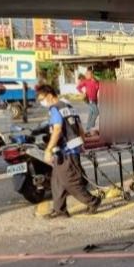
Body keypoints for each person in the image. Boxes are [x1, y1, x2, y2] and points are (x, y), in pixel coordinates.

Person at [37, 84, 101, 218]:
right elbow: (79, 127)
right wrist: (81, 142)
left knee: (70, 181)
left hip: (67, 151)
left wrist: (48, 150)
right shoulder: (68, 106)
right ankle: (59, 209)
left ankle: (93, 201)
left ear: (49, 96)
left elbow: (57, 129)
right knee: (57, 181)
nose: (41, 102)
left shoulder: (55, 109)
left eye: (41, 98)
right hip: (70, 149)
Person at [75, 68, 100, 132]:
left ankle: (88, 128)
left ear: (91, 74)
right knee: (96, 112)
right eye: (86, 74)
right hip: (89, 99)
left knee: (91, 112)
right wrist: (83, 92)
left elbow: (99, 89)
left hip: (95, 99)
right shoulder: (85, 81)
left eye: (87, 74)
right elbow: (78, 87)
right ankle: (91, 125)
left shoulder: (96, 81)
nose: (86, 75)